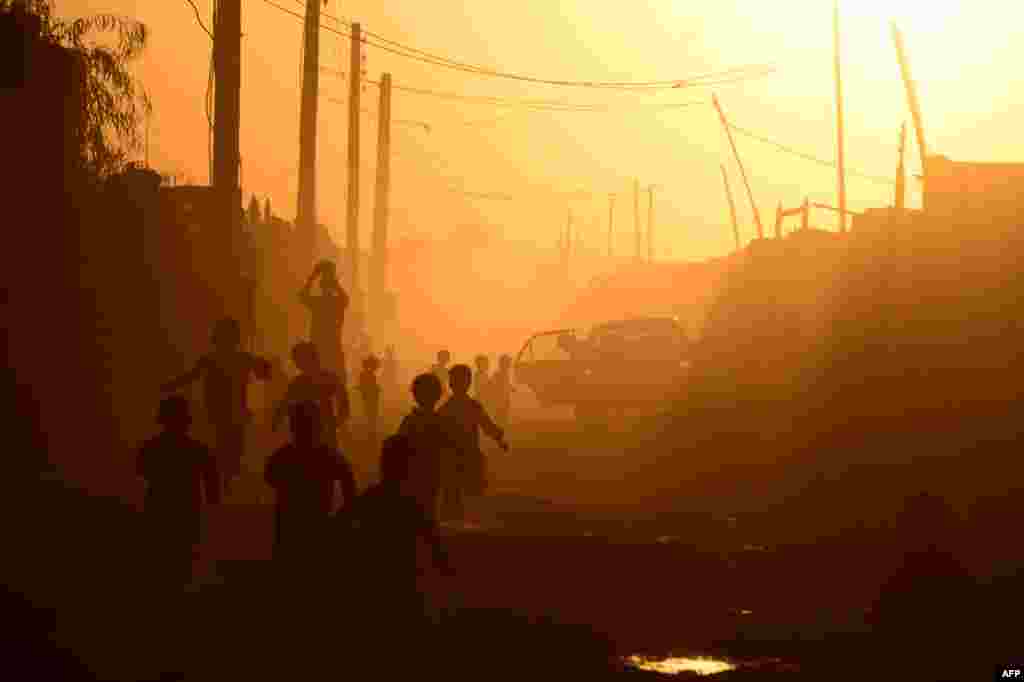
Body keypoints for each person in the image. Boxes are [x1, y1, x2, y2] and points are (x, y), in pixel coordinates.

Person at [333, 434, 454, 639]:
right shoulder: (414, 502)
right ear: (409, 467)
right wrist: (443, 565)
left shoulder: (372, 497)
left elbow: (341, 523)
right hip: (403, 579)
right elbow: (432, 538)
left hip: (373, 579)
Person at [161, 317, 272, 496]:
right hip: (228, 412)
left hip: (222, 411)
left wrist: (170, 385)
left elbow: (190, 377)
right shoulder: (239, 359)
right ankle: (223, 481)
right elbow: (265, 375)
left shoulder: (223, 359)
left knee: (224, 448)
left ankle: (221, 482)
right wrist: (263, 367)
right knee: (229, 449)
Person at [137, 396, 221, 585]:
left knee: (160, 556)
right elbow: (211, 484)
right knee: (183, 555)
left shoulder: (151, 447)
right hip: (186, 508)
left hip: (159, 506)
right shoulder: (198, 450)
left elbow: (140, 471)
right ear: (187, 421)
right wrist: (212, 502)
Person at [265, 401, 357, 564]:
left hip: (288, 524)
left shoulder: (282, 457)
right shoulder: (330, 456)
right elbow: (349, 487)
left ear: (292, 427)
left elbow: (270, 478)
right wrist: (345, 517)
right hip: (319, 522)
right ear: (319, 426)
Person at [438, 365, 509, 525]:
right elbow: (488, 426)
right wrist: (499, 440)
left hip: (454, 458)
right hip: (468, 456)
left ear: (451, 383)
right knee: (468, 493)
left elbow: (487, 426)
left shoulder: (446, 409)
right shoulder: (471, 406)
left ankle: (454, 523)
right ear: (468, 382)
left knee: (454, 493)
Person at [397, 373, 462, 520]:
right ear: (438, 395)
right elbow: (450, 448)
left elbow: (397, 446)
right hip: (433, 470)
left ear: (414, 394)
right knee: (429, 504)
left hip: (413, 470)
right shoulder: (442, 421)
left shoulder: (410, 421)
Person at [272, 342, 349, 451]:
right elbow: (284, 405)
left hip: (312, 433)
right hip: (310, 432)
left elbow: (283, 406)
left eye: (298, 360)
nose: (296, 364)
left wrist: (336, 422)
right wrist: (336, 422)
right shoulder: (326, 378)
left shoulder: (299, 382)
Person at [300, 260, 350, 383]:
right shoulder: (334, 303)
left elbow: (303, 295)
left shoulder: (320, 303)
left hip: (321, 346)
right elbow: (345, 298)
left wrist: (313, 276)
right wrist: (335, 283)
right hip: (331, 347)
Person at [358, 355, 382, 443]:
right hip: (370, 397)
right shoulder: (367, 374)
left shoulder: (365, 374)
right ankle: (371, 432)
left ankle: (371, 431)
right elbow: (366, 387)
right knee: (371, 414)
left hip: (370, 396)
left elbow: (363, 386)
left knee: (370, 414)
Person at [491, 354, 516, 428]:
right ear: (503, 364)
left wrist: (511, 388)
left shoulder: (504, 373)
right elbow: (496, 385)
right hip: (500, 399)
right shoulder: (498, 374)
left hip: (504, 398)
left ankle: (501, 428)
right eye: (508, 363)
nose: (509, 365)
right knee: (500, 415)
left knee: (503, 415)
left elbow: (506, 384)